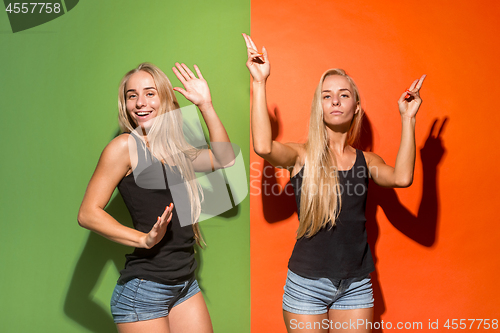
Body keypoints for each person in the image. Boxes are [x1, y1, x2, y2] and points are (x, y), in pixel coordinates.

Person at [243, 33, 425, 333]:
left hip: (356, 285)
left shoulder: (369, 161)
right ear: (320, 107)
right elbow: (263, 147)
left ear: (356, 107)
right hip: (307, 284)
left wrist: (408, 119)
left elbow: (403, 178)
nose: (335, 101)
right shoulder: (302, 155)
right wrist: (259, 83)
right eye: (326, 96)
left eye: (343, 94)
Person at [78, 62, 234, 333]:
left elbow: (224, 158)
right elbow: (88, 213)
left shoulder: (175, 148)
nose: (140, 102)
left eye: (150, 93)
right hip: (145, 290)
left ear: (164, 98)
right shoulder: (124, 147)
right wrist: (143, 239)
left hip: (185, 283)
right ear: (125, 104)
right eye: (132, 95)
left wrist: (206, 105)